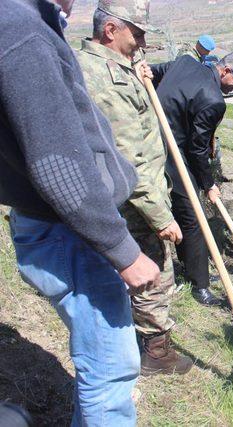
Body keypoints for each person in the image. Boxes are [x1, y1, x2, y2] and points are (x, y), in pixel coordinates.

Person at [0, 0, 161, 424]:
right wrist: (121, 249)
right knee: (110, 366)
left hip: (61, 222)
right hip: (69, 229)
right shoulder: (22, 31)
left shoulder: (27, 24)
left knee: (102, 357)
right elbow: (59, 164)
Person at [76, 0, 194, 376]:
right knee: (154, 273)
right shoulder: (104, 81)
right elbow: (129, 159)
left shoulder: (110, 67)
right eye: (137, 33)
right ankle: (156, 352)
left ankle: (131, 333)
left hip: (132, 192)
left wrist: (136, 72)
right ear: (111, 30)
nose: (143, 42)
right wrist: (161, 215)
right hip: (133, 199)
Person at [150, 50, 233, 305]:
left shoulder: (185, 62)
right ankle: (200, 285)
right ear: (226, 70)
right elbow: (197, 149)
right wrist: (209, 185)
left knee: (184, 214)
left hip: (150, 140)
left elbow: (157, 71)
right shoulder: (213, 99)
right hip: (171, 155)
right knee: (193, 217)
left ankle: (193, 268)